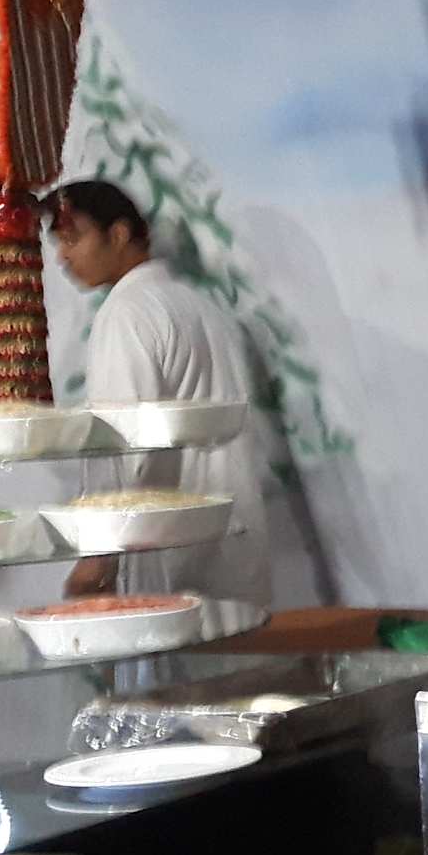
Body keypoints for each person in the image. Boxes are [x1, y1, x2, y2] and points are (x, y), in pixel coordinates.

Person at [48, 179, 270, 605]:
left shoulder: (126, 312)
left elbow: (124, 442)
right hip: (234, 548)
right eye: (59, 243)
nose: (63, 257)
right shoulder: (200, 306)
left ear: (119, 233)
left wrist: (98, 557)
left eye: (73, 239)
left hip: (168, 561)